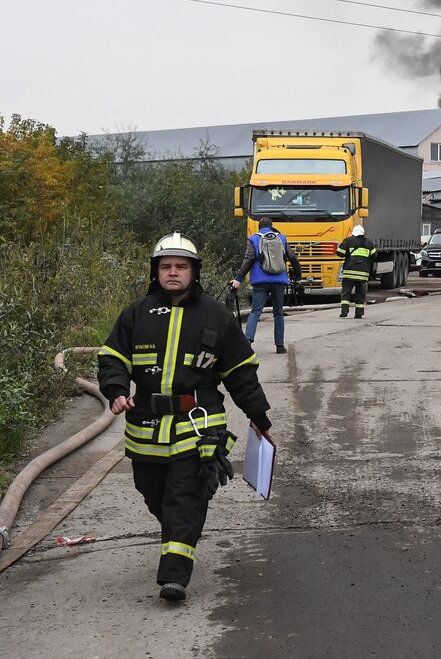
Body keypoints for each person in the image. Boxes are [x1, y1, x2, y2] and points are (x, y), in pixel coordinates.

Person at [98, 232, 273, 603]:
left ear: (194, 272)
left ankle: (174, 577)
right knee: (153, 493)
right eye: (166, 267)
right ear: (156, 272)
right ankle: (181, 531)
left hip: (198, 424)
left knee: (186, 495)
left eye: (181, 266)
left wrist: (259, 418)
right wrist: (115, 392)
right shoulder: (136, 314)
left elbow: (241, 373)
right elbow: (112, 358)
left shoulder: (217, 316)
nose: (173, 273)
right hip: (145, 425)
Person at [230, 217, 302, 354]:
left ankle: (248, 342)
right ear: (272, 226)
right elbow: (292, 257)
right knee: (278, 313)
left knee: (256, 312)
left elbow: (249, 259)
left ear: (259, 227)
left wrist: (239, 278)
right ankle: (280, 346)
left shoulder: (254, 239)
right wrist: (298, 275)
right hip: (279, 280)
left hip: (260, 281)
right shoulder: (281, 238)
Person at [336, 224, 375, 319]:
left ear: (354, 233)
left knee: (346, 293)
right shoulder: (369, 243)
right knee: (360, 294)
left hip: (349, 273)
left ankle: (344, 312)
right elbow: (374, 256)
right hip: (363, 275)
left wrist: (348, 253)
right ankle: (359, 314)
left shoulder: (348, 241)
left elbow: (339, 252)